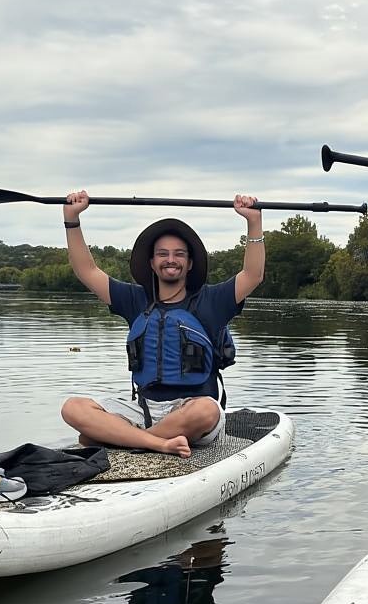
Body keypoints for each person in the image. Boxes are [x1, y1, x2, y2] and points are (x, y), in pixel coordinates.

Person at [59, 190, 264, 458]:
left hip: (192, 411)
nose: (171, 259)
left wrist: (253, 222)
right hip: (144, 410)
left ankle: (123, 439)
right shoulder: (135, 299)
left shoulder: (212, 301)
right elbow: (87, 271)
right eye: (163, 254)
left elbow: (253, 274)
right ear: (152, 263)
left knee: (207, 410)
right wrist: (72, 219)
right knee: (73, 407)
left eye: (179, 254)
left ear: (189, 263)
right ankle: (157, 443)